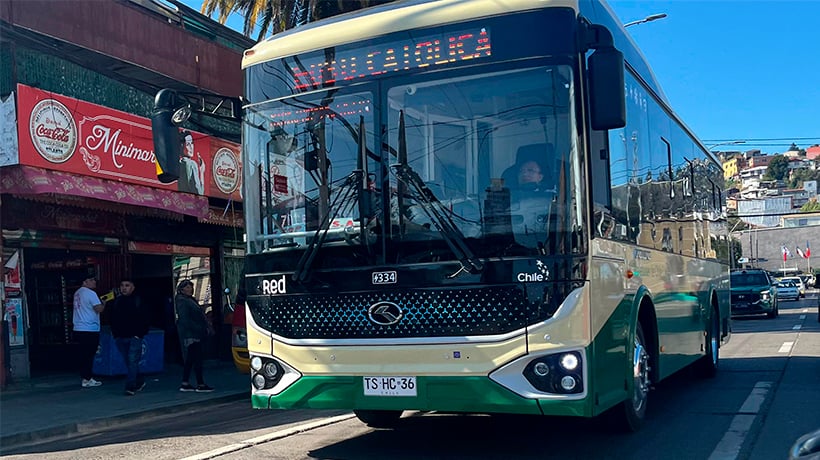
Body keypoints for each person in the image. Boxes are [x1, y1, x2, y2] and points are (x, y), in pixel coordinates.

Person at [109, 278, 150, 396]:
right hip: (120, 336)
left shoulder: (138, 300)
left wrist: (139, 334)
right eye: (122, 285)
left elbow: (145, 318)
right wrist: (115, 334)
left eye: (127, 285)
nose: (124, 288)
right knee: (129, 361)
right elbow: (112, 317)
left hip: (134, 336)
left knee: (132, 361)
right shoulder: (117, 301)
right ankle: (140, 380)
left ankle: (130, 386)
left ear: (133, 287)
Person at [175, 279, 214, 392]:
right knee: (196, 358)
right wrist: (199, 328)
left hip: (194, 333)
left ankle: (185, 382)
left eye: (190, 287)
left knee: (191, 359)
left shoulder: (189, 300)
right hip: (191, 334)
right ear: (181, 289)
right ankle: (200, 383)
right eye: (187, 287)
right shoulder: (183, 301)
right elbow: (185, 319)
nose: (190, 289)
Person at [73, 274, 104, 388]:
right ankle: (87, 378)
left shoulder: (77, 293)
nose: (94, 282)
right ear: (84, 282)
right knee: (89, 354)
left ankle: (85, 377)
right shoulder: (91, 293)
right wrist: (103, 303)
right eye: (91, 280)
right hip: (90, 328)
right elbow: (98, 309)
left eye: (94, 280)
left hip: (78, 327)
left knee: (83, 354)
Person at [178, 131, 205, 195]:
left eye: (192, 143)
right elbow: (199, 192)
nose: (191, 147)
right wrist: (202, 172)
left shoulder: (179, 164)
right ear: (181, 147)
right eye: (187, 144)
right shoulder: (192, 164)